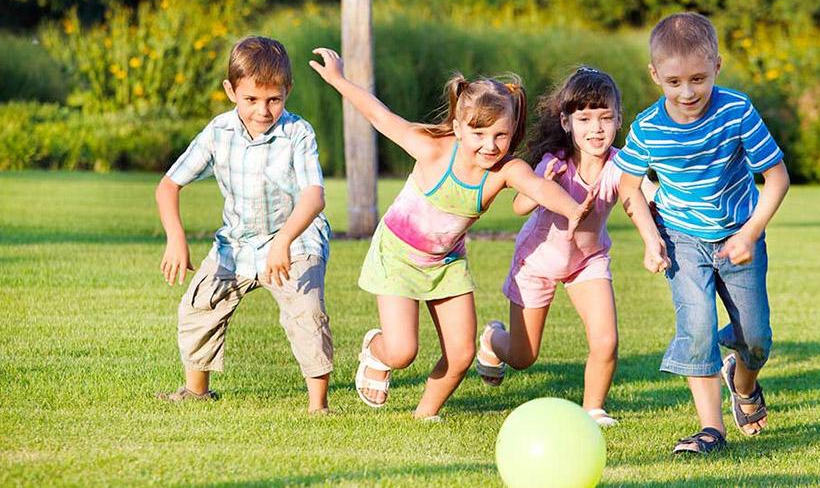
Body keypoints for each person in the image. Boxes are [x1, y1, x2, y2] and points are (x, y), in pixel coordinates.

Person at [309, 48, 597, 420]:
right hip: (397, 256)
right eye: (479, 133)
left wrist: (573, 209)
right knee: (402, 351)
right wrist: (338, 80)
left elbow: (538, 187)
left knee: (461, 354)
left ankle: (424, 414)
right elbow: (380, 116)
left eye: (501, 135)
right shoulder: (432, 149)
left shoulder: (504, 171)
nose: (490, 145)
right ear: (459, 128)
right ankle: (377, 352)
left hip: (446, 263)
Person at [615, 13, 790, 453]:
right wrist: (650, 238)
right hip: (682, 240)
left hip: (738, 237)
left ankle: (743, 382)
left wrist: (750, 234)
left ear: (717, 66)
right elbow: (628, 185)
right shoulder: (648, 127)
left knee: (756, 338)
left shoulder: (736, 111)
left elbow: (777, 177)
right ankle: (712, 429)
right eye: (674, 82)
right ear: (655, 75)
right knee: (696, 327)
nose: (687, 92)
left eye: (698, 78)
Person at [155, 36, 334, 414]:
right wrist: (176, 238)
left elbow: (314, 197)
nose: (263, 110)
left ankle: (318, 406)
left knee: (306, 312)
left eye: (274, 99)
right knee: (199, 305)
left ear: (287, 91)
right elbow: (169, 185)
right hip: (236, 245)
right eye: (251, 99)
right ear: (231, 90)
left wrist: (285, 240)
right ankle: (196, 391)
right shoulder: (218, 132)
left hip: (295, 241)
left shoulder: (298, 134)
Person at [475, 66, 656, 427]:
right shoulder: (553, 163)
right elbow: (519, 206)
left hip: (587, 262)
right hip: (537, 262)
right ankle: (493, 339)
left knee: (606, 340)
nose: (596, 128)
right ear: (565, 121)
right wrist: (540, 183)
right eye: (585, 118)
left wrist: (657, 229)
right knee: (524, 356)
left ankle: (593, 409)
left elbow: (642, 196)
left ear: (619, 119)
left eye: (605, 118)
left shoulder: (620, 165)